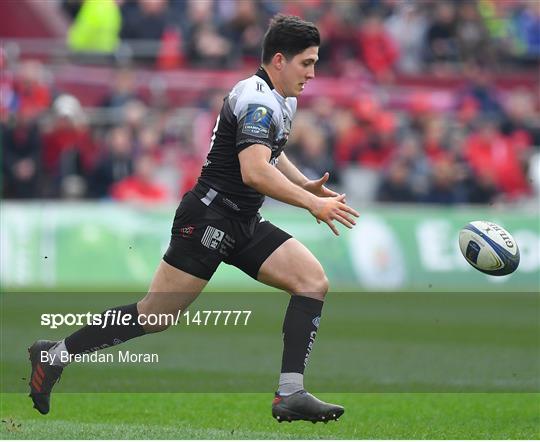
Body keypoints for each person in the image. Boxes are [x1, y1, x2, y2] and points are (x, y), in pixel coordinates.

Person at [28, 14, 358, 423]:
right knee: (154, 316)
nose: (312, 73)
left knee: (312, 282)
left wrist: (304, 184)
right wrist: (310, 205)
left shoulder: (282, 97)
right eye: (307, 63)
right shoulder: (256, 97)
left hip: (242, 220)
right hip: (209, 218)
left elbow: (272, 151)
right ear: (279, 60)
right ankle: (54, 354)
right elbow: (255, 170)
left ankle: (290, 393)